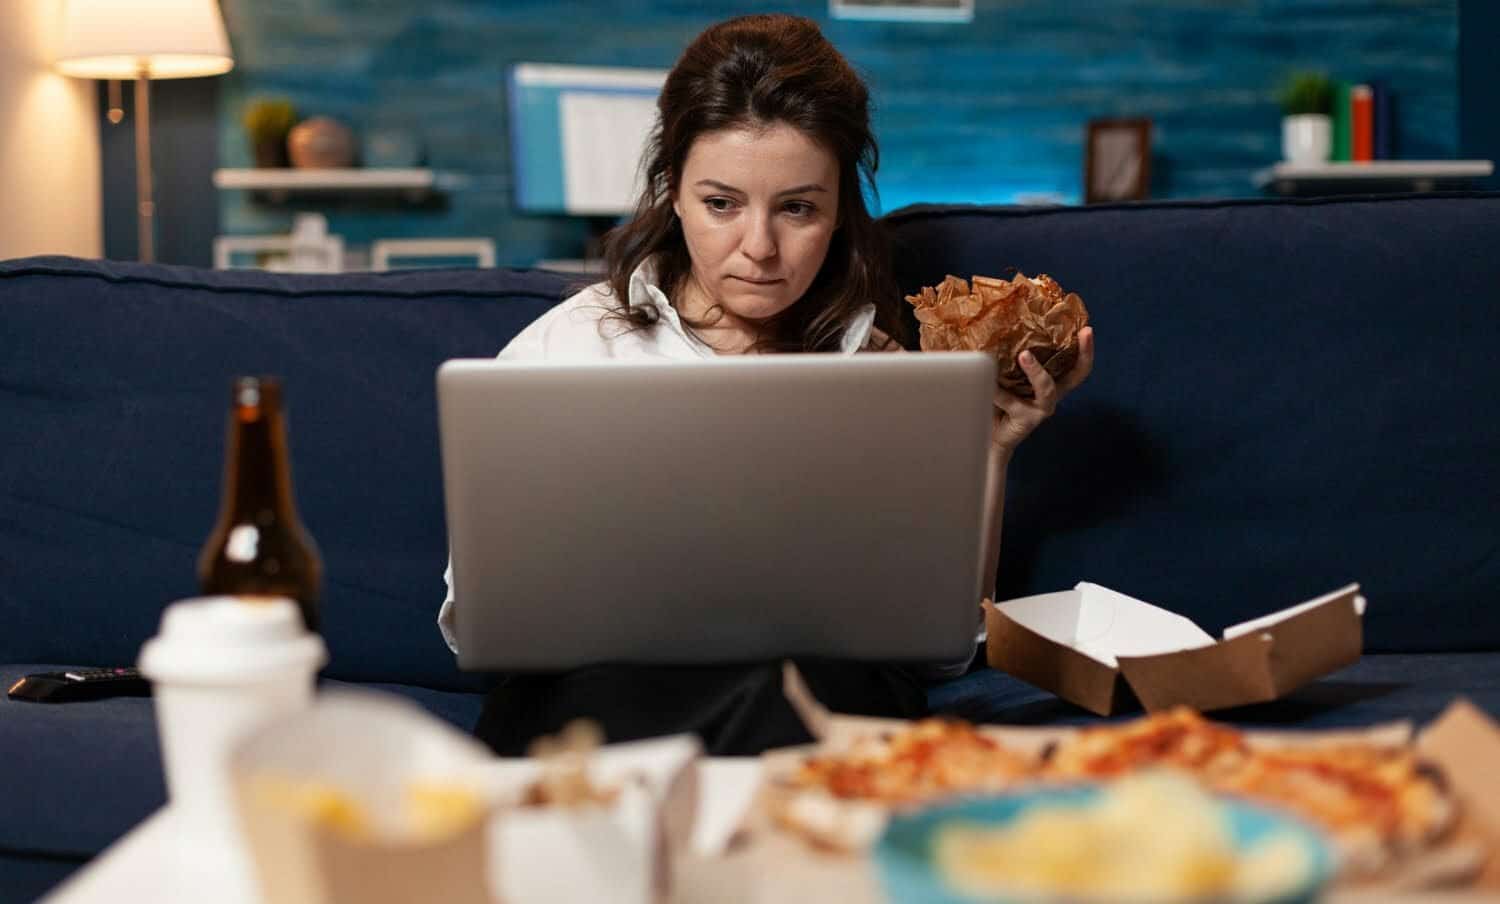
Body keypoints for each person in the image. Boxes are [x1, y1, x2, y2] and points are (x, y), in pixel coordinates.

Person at [441, 13, 1095, 755]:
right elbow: (477, 616)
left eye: (797, 208)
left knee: (818, 694)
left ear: (840, 211)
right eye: (721, 204)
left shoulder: (887, 375)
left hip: (821, 691)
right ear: (674, 193)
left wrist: (988, 454)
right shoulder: (573, 342)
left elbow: (941, 649)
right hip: (602, 691)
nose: (758, 249)